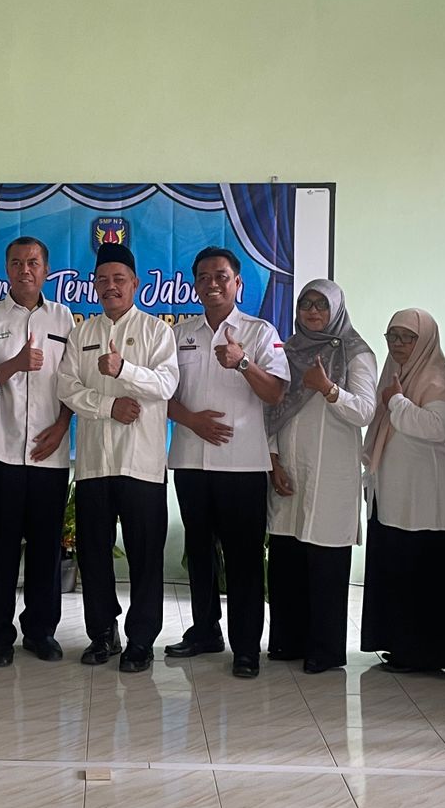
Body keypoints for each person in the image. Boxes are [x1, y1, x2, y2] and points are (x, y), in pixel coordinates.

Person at [165, 246, 290, 678]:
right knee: (199, 553)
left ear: (238, 283)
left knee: (244, 558)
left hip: (242, 465)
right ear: (195, 285)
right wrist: (192, 421)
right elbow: (163, 394)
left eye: (221, 276)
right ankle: (204, 631)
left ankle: (246, 647)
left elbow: (276, 393)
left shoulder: (259, 331)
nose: (212, 283)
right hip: (190, 460)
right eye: (203, 277)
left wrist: (243, 363)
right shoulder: (180, 334)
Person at [58, 243, 180, 673]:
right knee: (93, 554)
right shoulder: (81, 333)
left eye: (119, 279)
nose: (111, 287)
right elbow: (66, 388)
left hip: (141, 464)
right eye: (103, 280)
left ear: (135, 284)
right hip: (94, 464)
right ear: (94, 285)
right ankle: (102, 633)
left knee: (146, 556)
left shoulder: (157, 331)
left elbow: (165, 385)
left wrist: (124, 369)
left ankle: (141, 640)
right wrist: (109, 406)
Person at [0, 237, 75, 666]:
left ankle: (40, 632)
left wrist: (63, 426)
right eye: (16, 263)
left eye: (33, 262)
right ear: (7, 269)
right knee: (1, 549)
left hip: (50, 451)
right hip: (2, 451)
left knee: (47, 548)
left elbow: (72, 381)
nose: (25, 269)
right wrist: (15, 363)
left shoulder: (64, 317)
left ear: (46, 270)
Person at [266, 279, 378, 675]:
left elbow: (365, 411)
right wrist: (274, 460)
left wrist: (328, 388)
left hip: (331, 471)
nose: (313, 312)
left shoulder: (355, 351)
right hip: (289, 466)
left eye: (321, 305)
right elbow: (272, 409)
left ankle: (325, 649)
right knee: (287, 556)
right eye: (306, 304)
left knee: (325, 559)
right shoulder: (290, 350)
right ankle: (287, 641)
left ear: (336, 309)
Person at [359, 308, 445, 674]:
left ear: (426, 340)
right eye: (393, 336)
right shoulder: (395, 373)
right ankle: (401, 647)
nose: (399, 344)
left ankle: (427, 654)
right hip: (397, 493)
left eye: (408, 337)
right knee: (399, 570)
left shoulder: (435, 378)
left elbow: (438, 428)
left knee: (424, 574)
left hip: (427, 496)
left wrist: (397, 401)